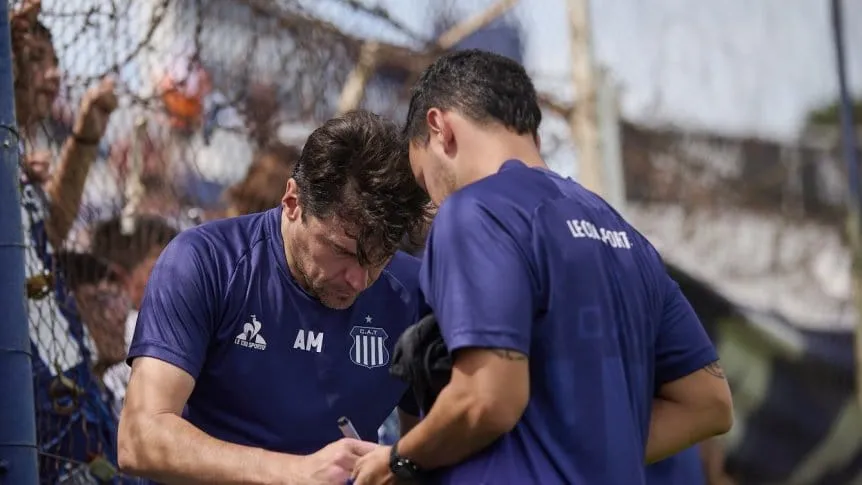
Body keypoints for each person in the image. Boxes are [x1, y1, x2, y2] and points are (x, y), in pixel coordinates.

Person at [352, 49, 734, 485]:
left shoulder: (476, 211)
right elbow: (708, 402)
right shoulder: (627, 238)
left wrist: (401, 459)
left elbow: (487, 398)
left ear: (440, 128)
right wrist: (578, 447)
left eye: (426, 182)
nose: (435, 203)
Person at [117, 109, 432, 485]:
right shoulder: (205, 263)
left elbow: (428, 445)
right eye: (343, 252)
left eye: (380, 257)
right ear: (293, 202)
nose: (359, 279)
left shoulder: (417, 293)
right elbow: (139, 438)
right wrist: (293, 472)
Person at [12, 0, 124, 482]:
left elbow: (49, 231)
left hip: (62, 375)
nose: (53, 74)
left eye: (52, 60)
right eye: (33, 58)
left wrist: (85, 136)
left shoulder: (14, 158)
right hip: (26, 381)